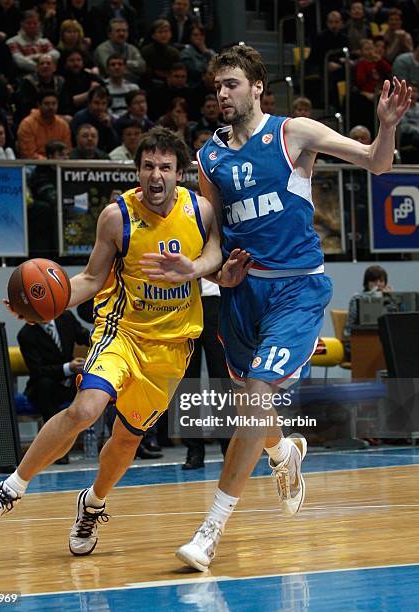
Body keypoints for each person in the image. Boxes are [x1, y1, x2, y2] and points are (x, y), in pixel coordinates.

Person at [171, 44, 411, 571]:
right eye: (217, 88)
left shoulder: (294, 133)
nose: (222, 95)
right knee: (251, 405)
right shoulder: (208, 155)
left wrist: (387, 126)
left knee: (256, 395)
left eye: (232, 85)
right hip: (241, 293)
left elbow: (377, 163)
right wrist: (199, 270)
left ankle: (210, 531)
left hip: (297, 291)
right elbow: (215, 239)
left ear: (257, 87)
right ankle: (285, 453)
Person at [0, 127, 248, 558]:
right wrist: (43, 307)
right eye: (148, 166)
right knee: (85, 408)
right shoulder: (117, 217)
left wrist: (215, 274)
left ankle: (92, 503)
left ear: (179, 173)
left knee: (127, 440)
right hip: (122, 333)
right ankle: (9, 490)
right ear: (137, 171)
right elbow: (92, 279)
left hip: (170, 348)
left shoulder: (201, 211)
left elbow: (211, 263)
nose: (156, 176)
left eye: (165, 168)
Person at [343, 265, 392, 342]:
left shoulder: (388, 299)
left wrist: (390, 298)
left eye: (381, 281)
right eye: (374, 281)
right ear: (367, 283)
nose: (378, 284)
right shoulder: (357, 298)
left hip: (382, 338)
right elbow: (350, 327)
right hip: (360, 338)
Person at [17, 90, 71, 159]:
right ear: (39, 105)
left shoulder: (63, 125)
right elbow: (28, 154)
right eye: (47, 104)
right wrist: (49, 162)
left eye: (54, 104)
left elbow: (67, 151)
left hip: (59, 164)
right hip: (34, 165)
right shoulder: (27, 124)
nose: (51, 107)